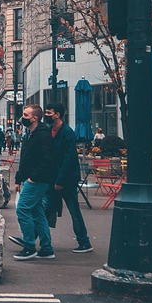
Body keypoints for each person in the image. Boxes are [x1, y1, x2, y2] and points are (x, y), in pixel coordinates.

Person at [45, 101, 92, 253]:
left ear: (57, 115)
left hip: (67, 180)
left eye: (49, 113)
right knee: (46, 209)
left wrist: (60, 180)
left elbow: (69, 159)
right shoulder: (50, 130)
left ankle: (84, 241)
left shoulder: (67, 132)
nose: (46, 115)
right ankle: (31, 239)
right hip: (53, 178)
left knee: (73, 210)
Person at [10, 103, 55, 260]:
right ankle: (46, 247)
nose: (23, 118)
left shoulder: (42, 135)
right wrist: (18, 179)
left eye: (26, 115)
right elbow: (26, 159)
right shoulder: (31, 133)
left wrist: (32, 178)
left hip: (38, 180)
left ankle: (29, 246)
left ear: (35, 118)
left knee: (22, 209)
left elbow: (48, 160)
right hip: (35, 178)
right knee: (37, 212)